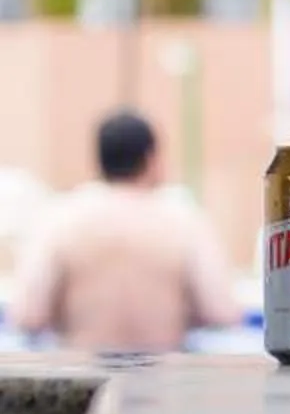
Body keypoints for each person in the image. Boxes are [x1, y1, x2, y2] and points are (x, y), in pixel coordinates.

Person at [8, 111, 240, 352]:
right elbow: (221, 312)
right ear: (152, 158)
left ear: (99, 159)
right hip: (162, 379)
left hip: (87, 381)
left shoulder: (61, 219)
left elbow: (27, 315)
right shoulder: (183, 221)